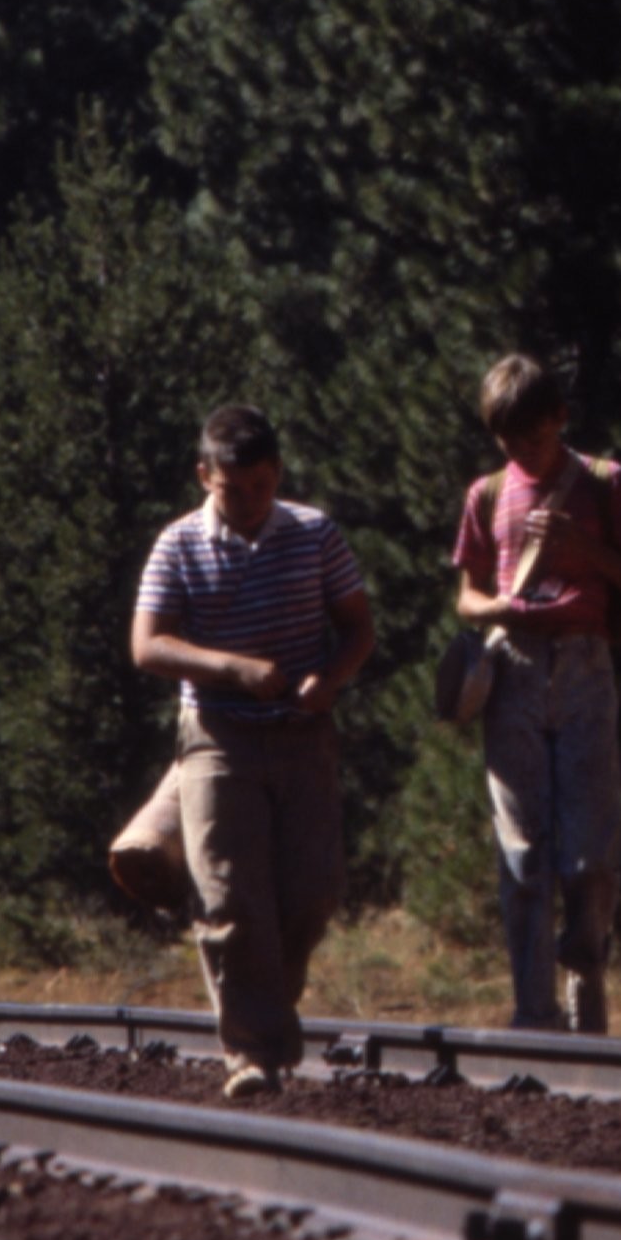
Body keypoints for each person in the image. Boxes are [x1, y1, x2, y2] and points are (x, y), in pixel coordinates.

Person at [130, 405, 375, 1098]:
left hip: (303, 733)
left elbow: (358, 627)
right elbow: (148, 644)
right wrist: (231, 668)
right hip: (217, 735)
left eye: (261, 486)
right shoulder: (177, 544)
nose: (247, 501)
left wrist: (329, 681)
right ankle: (253, 1054)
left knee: (312, 891)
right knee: (230, 896)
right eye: (232, 488)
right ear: (204, 475)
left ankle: (268, 1011)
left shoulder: (315, 533)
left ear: (278, 476)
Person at [450, 353, 621, 1033]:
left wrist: (584, 546)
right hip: (513, 666)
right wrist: (498, 610)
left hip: (583, 663)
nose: (522, 451)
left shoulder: (606, 484)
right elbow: (466, 596)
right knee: (522, 850)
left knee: (590, 843)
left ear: (560, 419)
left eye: (534, 438)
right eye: (508, 440)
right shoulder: (486, 495)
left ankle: (588, 986)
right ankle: (533, 1013)